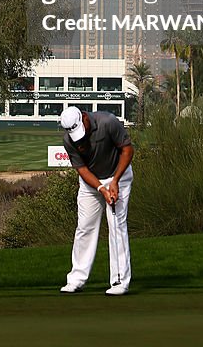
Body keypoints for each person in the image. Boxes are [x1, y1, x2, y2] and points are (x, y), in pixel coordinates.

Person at [58, 105, 134, 296]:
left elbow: (127, 150)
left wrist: (114, 181)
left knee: (116, 225)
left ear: (84, 117)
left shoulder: (107, 122)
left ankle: (119, 281)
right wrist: (101, 188)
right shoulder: (69, 139)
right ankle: (76, 279)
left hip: (119, 176)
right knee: (84, 228)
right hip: (90, 183)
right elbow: (82, 169)